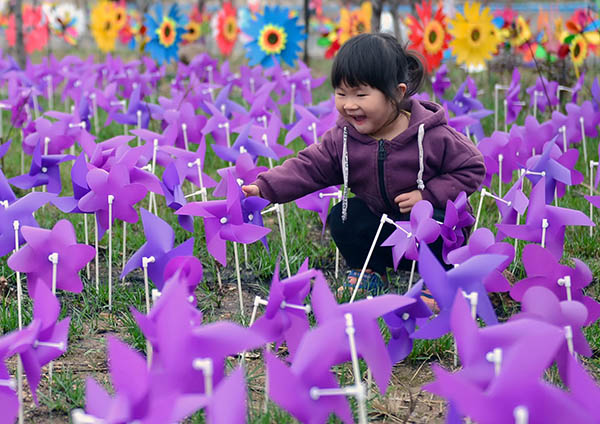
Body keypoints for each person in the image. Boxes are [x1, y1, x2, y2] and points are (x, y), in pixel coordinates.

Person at [242, 33, 485, 306]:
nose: (349, 104)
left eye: (360, 94)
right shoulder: (343, 138)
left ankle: (440, 277)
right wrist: (265, 187)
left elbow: (472, 167)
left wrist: (428, 196)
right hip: (380, 224)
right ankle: (369, 269)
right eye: (341, 93)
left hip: (424, 226)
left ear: (397, 93)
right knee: (343, 218)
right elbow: (309, 167)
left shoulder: (433, 135)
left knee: (439, 225)